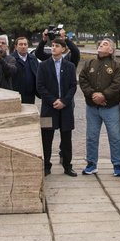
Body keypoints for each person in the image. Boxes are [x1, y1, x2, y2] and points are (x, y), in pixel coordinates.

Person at [79, 38, 120, 177]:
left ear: (111, 50)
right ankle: (91, 164)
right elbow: (82, 79)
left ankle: (117, 165)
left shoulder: (116, 65)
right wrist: (93, 95)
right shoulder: (89, 63)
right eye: (100, 43)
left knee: (115, 136)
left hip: (110, 107)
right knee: (91, 136)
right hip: (92, 107)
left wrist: (104, 95)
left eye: (105, 44)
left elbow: (117, 84)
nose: (101, 45)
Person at [37, 38, 77, 177]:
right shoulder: (43, 65)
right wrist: (53, 100)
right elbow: (40, 86)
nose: (53, 48)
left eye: (57, 46)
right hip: (49, 107)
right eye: (52, 46)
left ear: (64, 49)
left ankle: (67, 166)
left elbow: (73, 86)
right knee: (46, 138)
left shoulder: (70, 66)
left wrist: (64, 101)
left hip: (65, 108)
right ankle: (46, 166)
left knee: (66, 138)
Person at [12, 36, 39, 105]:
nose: (23, 46)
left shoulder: (33, 59)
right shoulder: (11, 59)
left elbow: (38, 74)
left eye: (25, 44)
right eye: (20, 44)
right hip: (15, 94)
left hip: (30, 95)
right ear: (16, 46)